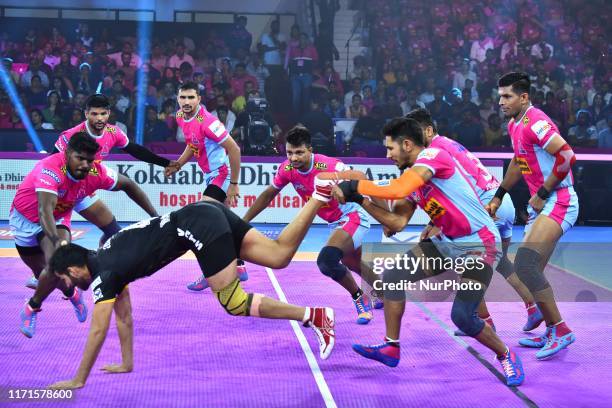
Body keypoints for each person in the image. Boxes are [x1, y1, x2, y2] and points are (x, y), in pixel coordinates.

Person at [47, 191, 337, 390]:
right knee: (278, 257)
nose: (68, 286)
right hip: (205, 211)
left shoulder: (104, 278)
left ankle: (313, 316)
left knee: (233, 302)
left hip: (197, 226)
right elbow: (123, 317)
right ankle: (319, 197)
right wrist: (126, 363)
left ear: (73, 270)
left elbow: (98, 330)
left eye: (65, 279)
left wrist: (78, 379)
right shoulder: (106, 253)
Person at [322, 117, 525, 386]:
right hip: (447, 241)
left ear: (407, 144)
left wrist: (355, 186)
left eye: (390, 148)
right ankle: (391, 347)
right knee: (393, 278)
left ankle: (505, 354)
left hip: (480, 244)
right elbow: (396, 223)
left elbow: (399, 189)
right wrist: (361, 200)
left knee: (463, 316)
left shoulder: (434, 155)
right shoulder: (411, 177)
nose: (387, 155)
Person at [406, 108, 543, 334]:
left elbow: (454, 194)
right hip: (501, 201)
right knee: (501, 263)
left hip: (484, 207)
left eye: (412, 133)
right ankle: (532, 307)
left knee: (464, 265)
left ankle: (483, 320)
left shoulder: (433, 151)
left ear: (428, 130)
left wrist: (433, 223)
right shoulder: (448, 143)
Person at [15, 133, 159, 338]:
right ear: (67, 154)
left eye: (89, 160)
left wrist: (155, 217)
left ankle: (31, 308)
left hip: (58, 219)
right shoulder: (50, 170)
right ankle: (72, 294)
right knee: (48, 277)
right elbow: (43, 211)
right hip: (26, 220)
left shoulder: (97, 172)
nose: (85, 164)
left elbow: (129, 185)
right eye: (79, 158)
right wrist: (56, 243)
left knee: (56, 265)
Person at [27, 94, 176, 291]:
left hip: (84, 190)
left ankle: (98, 264)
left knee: (113, 231)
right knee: (51, 239)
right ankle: (41, 276)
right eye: (94, 114)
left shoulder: (113, 133)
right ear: (86, 113)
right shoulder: (70, 135)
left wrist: (165, 163)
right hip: (62, 193)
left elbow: (135, 150)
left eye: (103, 113)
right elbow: (51, 164)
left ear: (109, 114)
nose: (99, 118)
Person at [243, 125, 383, 324]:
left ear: (310, 150)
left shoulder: (330, 166)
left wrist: (385, 218)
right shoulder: (288, 169)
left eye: (299, 153)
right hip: (334, 222)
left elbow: (364, 182)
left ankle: (360, 298)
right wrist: (244, 221)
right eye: (289, 153)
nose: (293, 158)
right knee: (352, 263)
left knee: (327, 261)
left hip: (353, 216)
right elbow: (268, 195)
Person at [489, 72, 577, 360]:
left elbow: (566, 156)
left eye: (507, 96)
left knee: (526, 264)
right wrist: (500, 193)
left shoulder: (535, 120)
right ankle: (552, 329)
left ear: (524, 97)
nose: (501, 102)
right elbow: (518, 160)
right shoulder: (515, 125)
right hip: (545, 203)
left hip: (559, 199)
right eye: (500, 96)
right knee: (530, 271)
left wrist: (542, 192)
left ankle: (561, 329)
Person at [165, 82, 244, 290]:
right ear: (178, 99)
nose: (187, 102)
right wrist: (179, 164)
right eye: (183, 98)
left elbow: (234, 149)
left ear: (199, 99)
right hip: (209, 175)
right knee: (226, 223)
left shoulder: (209, 122)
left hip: (222, 174)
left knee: (204, 221)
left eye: (191, 98)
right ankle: (240, 265)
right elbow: (193, 145)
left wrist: (234, 185)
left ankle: (210, 273)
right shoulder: (180, 117)